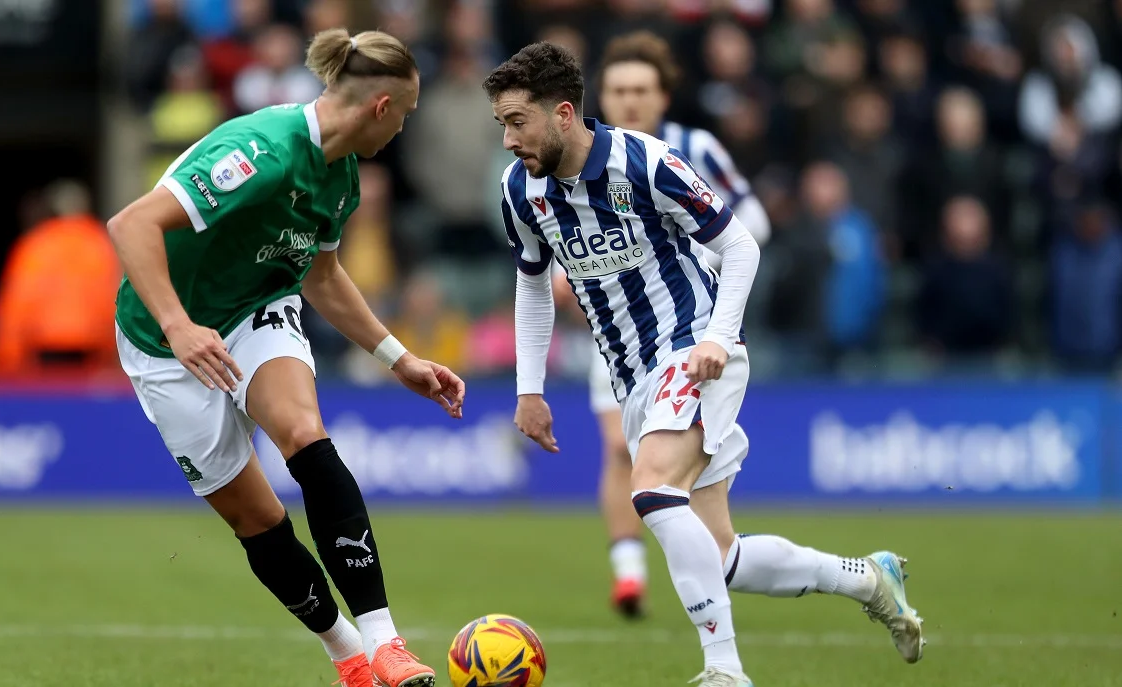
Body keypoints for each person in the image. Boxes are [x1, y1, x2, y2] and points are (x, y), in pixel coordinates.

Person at [484, 42, 923, 686]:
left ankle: (725, 672)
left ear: (563, 113)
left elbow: (740, 242)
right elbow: (530, 282)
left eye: (516, 121)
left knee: (651, 488)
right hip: (632, 373)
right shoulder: (521, 188)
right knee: (721, 556)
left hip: (693, 349)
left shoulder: (649, 161)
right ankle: (867, 579)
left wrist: (718, 336)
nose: (506, 139)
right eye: (501, 123)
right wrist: (530, 388)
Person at [109, 28, 462, 687]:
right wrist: (179, 324)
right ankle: (348, 654)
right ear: (381, 108)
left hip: (256, 311)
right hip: (162, 339)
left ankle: (386, 643)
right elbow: (131, 224)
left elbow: (321, 277)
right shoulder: (261, 150)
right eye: (406, 114)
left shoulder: (343, 177)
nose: (403, 129)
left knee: (303, 433)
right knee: (257, 519)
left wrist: (397, 356)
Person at [571, 29, 772, 618]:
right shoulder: (585, 158)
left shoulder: (694, 148)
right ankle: (629, 574)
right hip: (614, 335)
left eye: (641, 90)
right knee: (616, 447)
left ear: (663, 96)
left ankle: (706, 570)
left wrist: (696, 261)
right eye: (618, 90)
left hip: (686, 325)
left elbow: (750, 219)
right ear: (600, 97)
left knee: (660, 466)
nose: (630, 101)